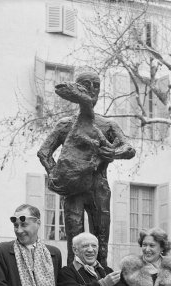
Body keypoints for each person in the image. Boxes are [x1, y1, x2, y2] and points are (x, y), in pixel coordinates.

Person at [37, 69, 136, 265]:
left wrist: (114, 153)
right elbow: (44, 152)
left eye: (96, 85)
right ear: (78, 89)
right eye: (86, 84)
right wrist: (58, 176)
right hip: (73, 191)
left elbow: (129, 149)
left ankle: (101, 280)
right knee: (75, 241)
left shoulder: (107, 124)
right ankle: (75, 283)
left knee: (101, 242)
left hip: (99, 189)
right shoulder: (65, 124)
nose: (92, 89)